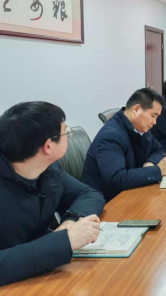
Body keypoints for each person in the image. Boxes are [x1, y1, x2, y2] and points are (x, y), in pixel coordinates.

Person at [0, 102, 105, 286]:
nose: (68, 136)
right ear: (48, 146)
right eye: (66, 132)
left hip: (45, 274)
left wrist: (70, 221)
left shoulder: (47, 168)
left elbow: (88, 194)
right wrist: (64, 241)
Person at [81, 88, 166, 202]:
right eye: (153, 116)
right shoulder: (110, 136)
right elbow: (117, 179)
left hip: (131, 191)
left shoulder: (140, 127)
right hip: (107, 201)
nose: (154, 122)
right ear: (136, 109)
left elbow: (159, 150)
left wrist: (150, 163)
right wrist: (157, 170)